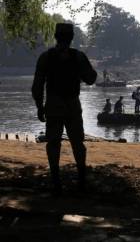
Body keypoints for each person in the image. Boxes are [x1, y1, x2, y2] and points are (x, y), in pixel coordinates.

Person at [32, 23, 97, 195]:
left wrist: (40, 107)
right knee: (77, 143)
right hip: (73, 105)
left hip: (53, 105)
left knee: (53, 143)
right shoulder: (78, 56)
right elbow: (91, 79)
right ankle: (81, 180)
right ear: (71, 38)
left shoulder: (45, 57)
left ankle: (56, 182)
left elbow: (37, 86)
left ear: (55, 36)